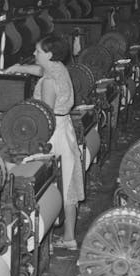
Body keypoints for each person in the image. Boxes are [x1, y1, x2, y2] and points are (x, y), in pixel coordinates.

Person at [5, 33, 85, 249]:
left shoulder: (49, 82)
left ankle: (49, 237)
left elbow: (44, 117)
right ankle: (68, 237)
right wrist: (18, 68)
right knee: (68, 184)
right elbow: (41, 70)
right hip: (65, 129)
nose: (34, 53)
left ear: (49, 54)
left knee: (49, 183)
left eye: (38, 51)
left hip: (54, 134)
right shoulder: (59, 68)